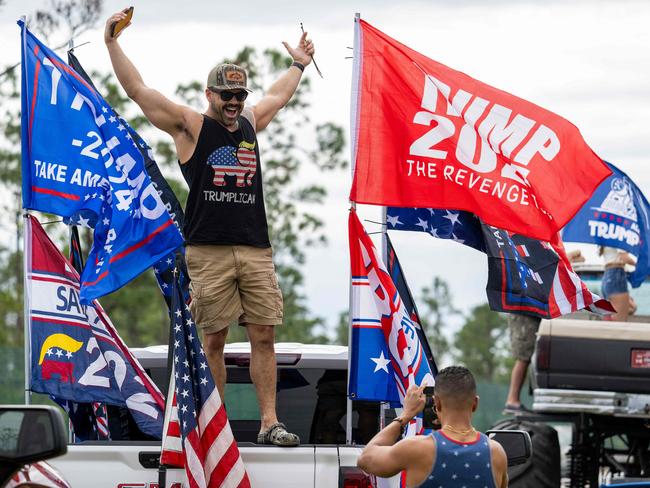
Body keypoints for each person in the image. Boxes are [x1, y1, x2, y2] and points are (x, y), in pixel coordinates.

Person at [104, 9, 316, 446]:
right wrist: (112, 44)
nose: (235, 102)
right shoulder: (191, 127)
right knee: (214, 339)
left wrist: (298, 64)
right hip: (208, 250)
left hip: (255, 248)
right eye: (226, 95)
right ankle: (215, 428)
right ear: (210, 94)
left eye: (239, 94)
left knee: (264, 334)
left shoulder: (251, 123)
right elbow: (140, 92)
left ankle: (269, 423)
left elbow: (277, 96)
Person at [357, 366, 508, 488]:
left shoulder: (417, 448)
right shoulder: (496, 453)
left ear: (437, 403)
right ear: (475, 403)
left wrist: (406, 414)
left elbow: (365, 458)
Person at [504, 313, 540, 413]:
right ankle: (512, 400)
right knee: (524, 357)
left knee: (526, 357)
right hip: (524, 314)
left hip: (527, 313)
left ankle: (513, 400)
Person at [600, 246, 637, 322]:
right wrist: (640, 266)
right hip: (616, 274)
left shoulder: (605, 239)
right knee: (620, 322)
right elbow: (624, 257)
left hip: (607, 275)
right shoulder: (618, 237)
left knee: (628, 308)